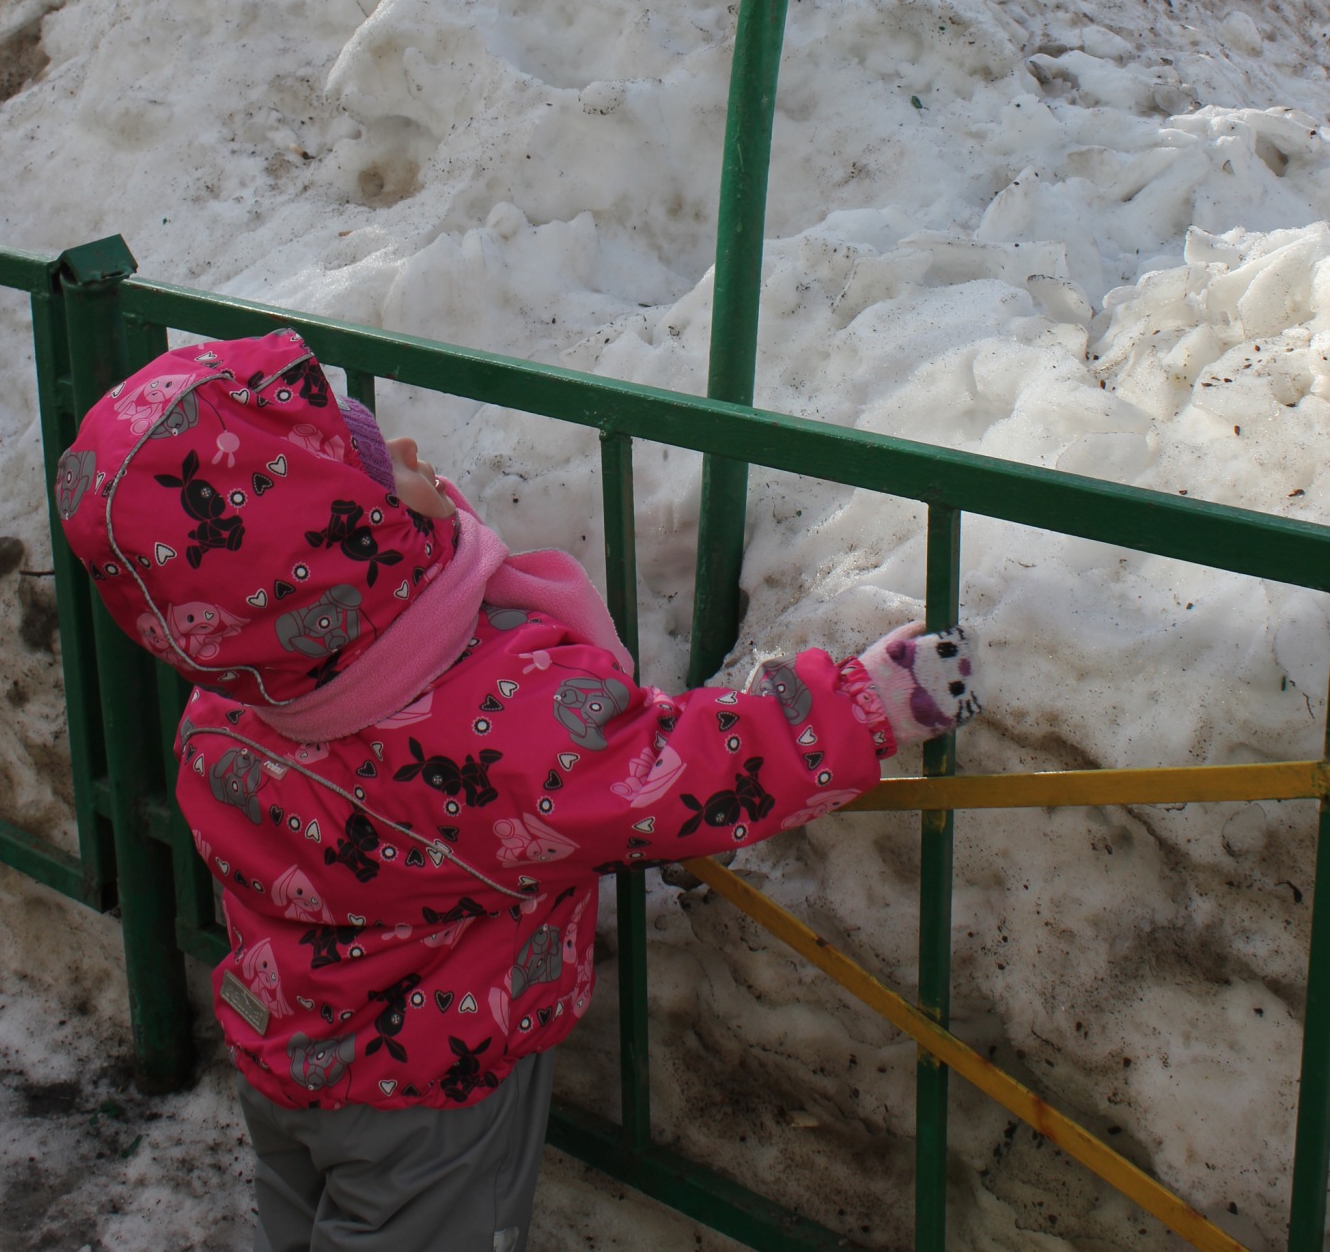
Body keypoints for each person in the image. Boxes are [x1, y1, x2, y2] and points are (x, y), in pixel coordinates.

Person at [56, 328, 982, 1252]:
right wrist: (859, 707)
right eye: (378, 469)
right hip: (426, 1103)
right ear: (350, 543)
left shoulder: (232, 706)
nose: (409, 448)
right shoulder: (484, 732)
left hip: (287, 1057)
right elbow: (667, 773)